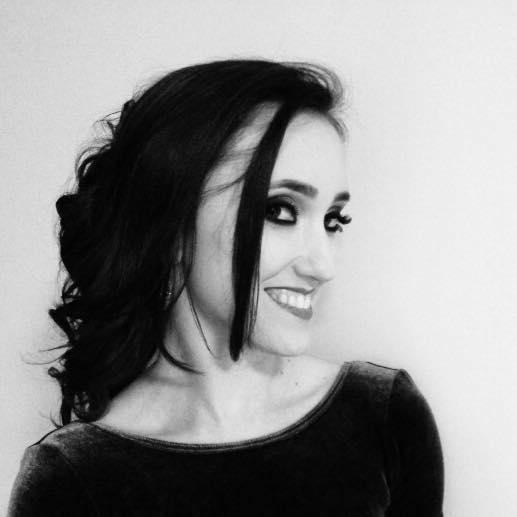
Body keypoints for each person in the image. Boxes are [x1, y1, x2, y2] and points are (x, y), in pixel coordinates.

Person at [8, 59, 444, 516]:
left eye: (333, 220)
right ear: (171, 221)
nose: (323, 265)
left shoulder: (383, 417)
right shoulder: (75, 476)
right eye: (280, 211)